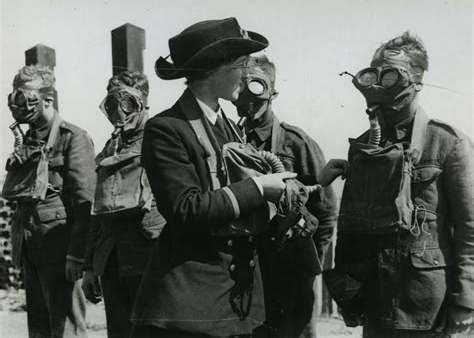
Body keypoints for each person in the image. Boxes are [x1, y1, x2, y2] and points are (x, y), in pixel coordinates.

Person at [129, 17, 301, 337]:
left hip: (231, 300)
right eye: (242, 64)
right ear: (215, 68)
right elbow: (186, 209)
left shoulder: (228, 126)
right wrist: (259, 188)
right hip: (188, 307)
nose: (248, 75)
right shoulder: (167, 128)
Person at [333, 32, 474, 337]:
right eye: (376, 74)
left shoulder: (447, 143)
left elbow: (469, 229)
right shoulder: (364, 147)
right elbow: (349, 229)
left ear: (418, 80)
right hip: (376, 302)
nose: (381, 84)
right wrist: (347, 296)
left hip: (425, 306)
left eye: (391, 75)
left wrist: (466, 300)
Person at [233, 55, 345, 338]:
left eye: (257, 87)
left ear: (273, 93)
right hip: (246, 273)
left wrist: (306, 263)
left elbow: (325, 209)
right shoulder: (228, 142)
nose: (249, 97)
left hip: (290, 274)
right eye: (241, 85)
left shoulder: (296, 143)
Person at [3, 65, 95, 337]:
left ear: (47, 99)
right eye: (14, 96)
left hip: (60, 252)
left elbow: (84, 202)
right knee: (39, 330)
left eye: (24, 96)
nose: (17, 103)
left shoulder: (72, 138)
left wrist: (77, 255)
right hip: (33, 250)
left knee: (66, 330)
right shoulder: (29, 139)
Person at [81, 71, 166, 338]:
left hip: (149, 257)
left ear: (143, 102)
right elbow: (97, 211)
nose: (118, 110)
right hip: (112, 260)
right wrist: (90, 267)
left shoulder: (162, 140)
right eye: (111, 103)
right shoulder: (110, 149)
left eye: (126, 102)